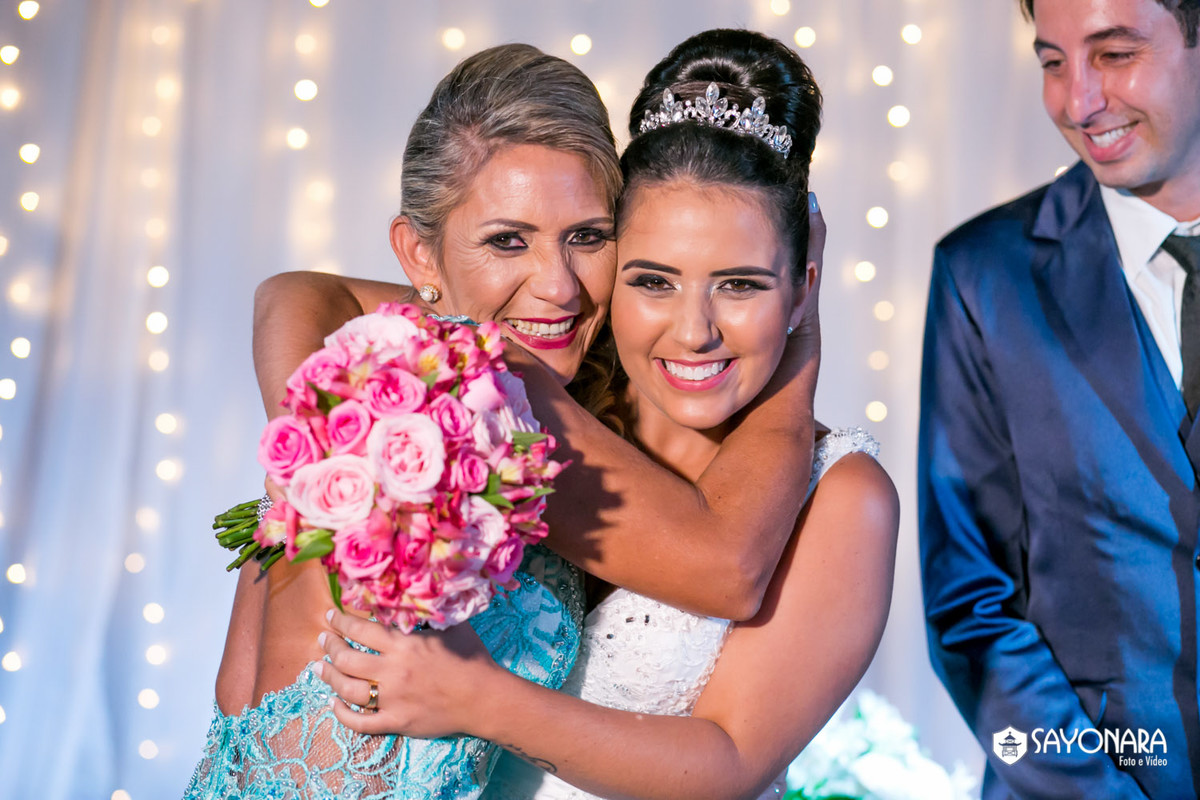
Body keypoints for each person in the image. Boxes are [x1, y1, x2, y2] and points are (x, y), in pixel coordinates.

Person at [188, 39, 824, 798]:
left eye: (587, 237)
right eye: (506, 241)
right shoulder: (472, 391)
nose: (557, 286)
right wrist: (803, 337)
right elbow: (729, 571)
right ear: (419, 256)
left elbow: (294, 290)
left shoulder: (388, 380)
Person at [919, 0, 1200, 797]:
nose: (1078, 102)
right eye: (1052, 62)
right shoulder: (983, 275)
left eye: (1113, 54)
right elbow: (971, 603)